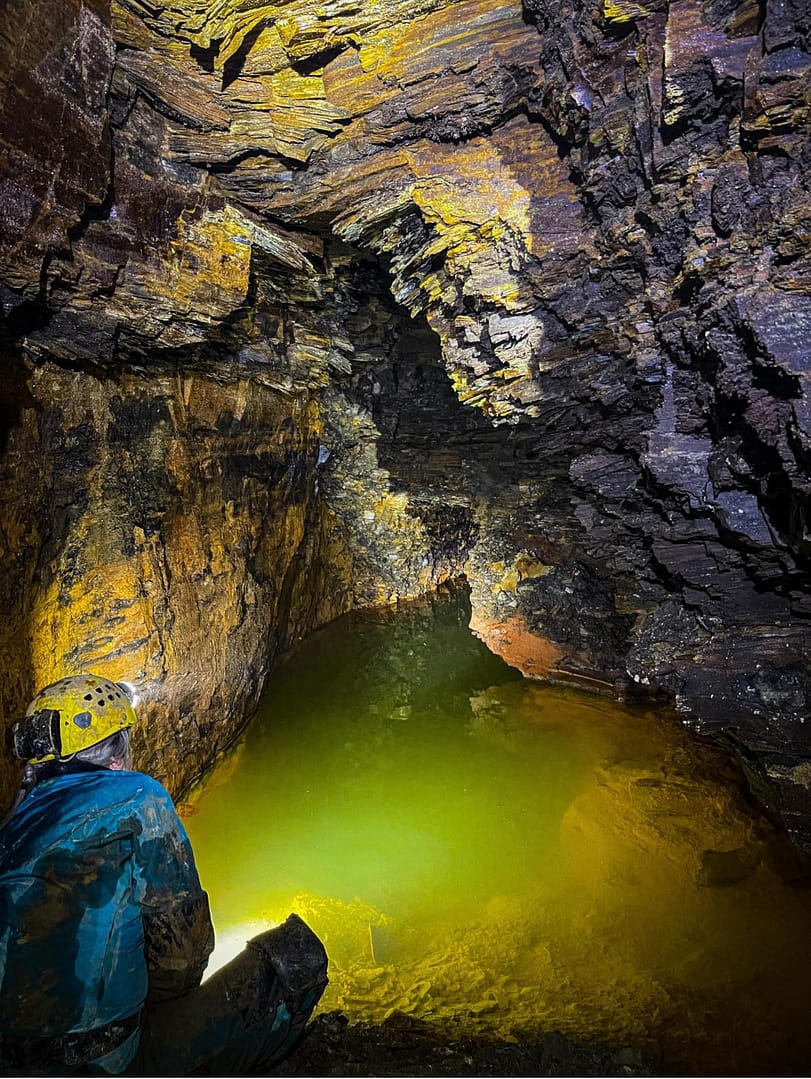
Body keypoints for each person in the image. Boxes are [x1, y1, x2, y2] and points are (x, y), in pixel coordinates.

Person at [0, 673, 328, 1076]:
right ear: (116, 755)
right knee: (295, 957)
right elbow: (183, 953)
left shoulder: (11, 831)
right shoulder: (139, 798)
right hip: (108, 1062)